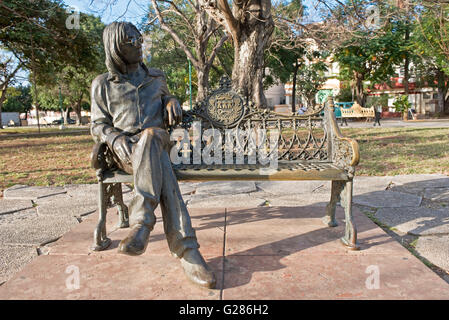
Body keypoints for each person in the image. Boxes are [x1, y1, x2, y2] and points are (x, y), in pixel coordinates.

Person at [90, 22, 216, 288]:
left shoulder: (156, 77)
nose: (139, 45)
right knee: (160, 167)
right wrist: (114, 137)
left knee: (152, 136)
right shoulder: (102, 84)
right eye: (130, 41)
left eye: (139, 39)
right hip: (126, 154)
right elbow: (97, 124)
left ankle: (142, 224)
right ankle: (187, 251)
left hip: (159, 141)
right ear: (114, 46)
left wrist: (172, 100)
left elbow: (167, 96)